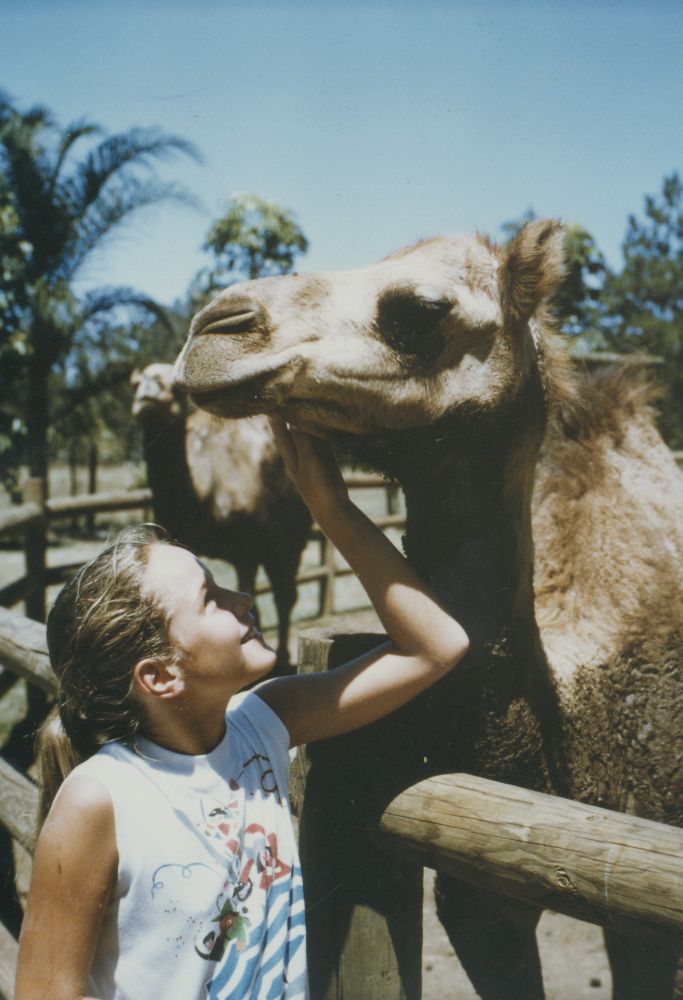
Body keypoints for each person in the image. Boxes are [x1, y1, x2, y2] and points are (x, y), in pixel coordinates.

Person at [15, 418, 469, 1000]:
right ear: (159, 676)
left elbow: (437, 646)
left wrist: (330, 508)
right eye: (210, 597)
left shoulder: (265, 722)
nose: (244, 600)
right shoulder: (99, 800)